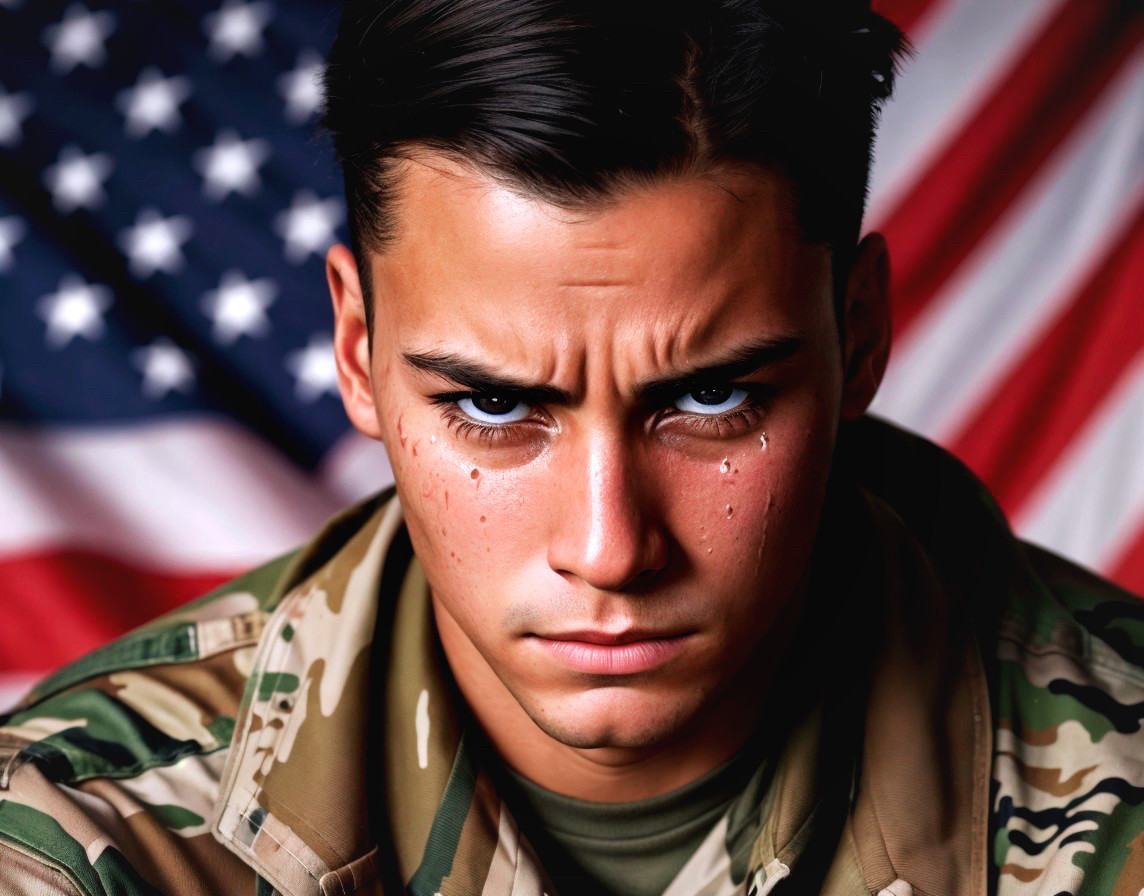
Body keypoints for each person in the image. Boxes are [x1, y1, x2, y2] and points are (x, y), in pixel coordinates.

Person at [2, 1, 1142, 894]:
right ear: (356, 346)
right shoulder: (79, 828)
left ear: (861, 332)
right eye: (496, 408)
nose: (608, 547)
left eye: (708, 397)